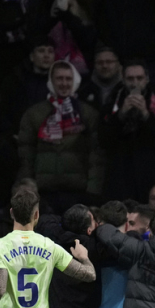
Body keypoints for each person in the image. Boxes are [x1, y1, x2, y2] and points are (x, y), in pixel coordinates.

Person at [17, 60, 103, 213]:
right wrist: (27, 185)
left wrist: (93, 190)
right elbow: (26, 153)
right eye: (59, 78)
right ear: (51, 81)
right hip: (43, 191)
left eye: (68, 79)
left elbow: (96, 154)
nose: (64, 83)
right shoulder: (34, 114)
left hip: (78, 191)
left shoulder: (88, 114)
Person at [100, 61, 155, 202]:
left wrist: (146, 114)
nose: (135, 83)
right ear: (123, 79)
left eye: (139, 78)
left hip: (151, 174)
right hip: (120, 175)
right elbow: (104, 140)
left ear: (147, 79)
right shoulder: (111, 103)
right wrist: (121, 115)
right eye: (130, 79)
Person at [78, 46, 122, 110]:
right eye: (100, 62)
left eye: (109, 62)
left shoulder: (125, 89)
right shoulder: (83, 91)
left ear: (118, 64)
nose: (104, 66)